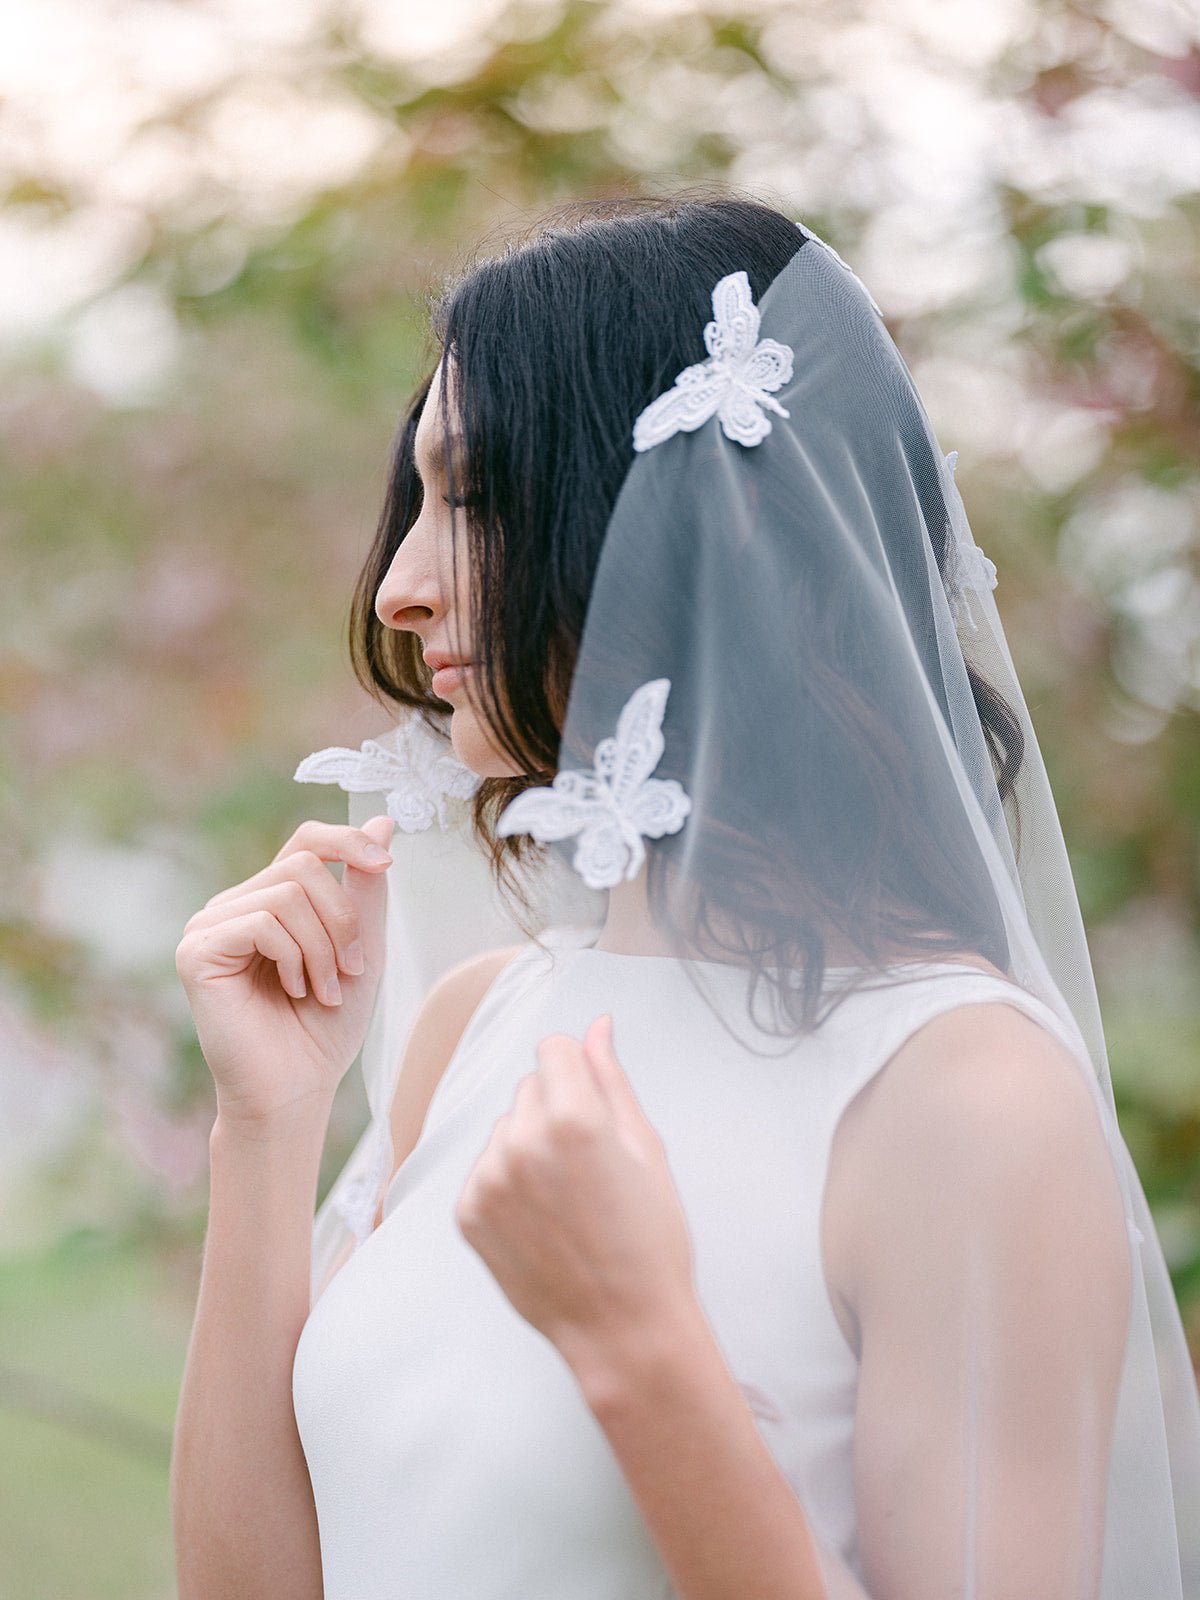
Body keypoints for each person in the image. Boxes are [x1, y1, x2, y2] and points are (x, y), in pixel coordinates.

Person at [170, 194, 1200, 1600]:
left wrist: (638, 1349)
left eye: (471, 497)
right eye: (414, 505)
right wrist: (263, 1126)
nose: (402, 586)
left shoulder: (961, 1096)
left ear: (692, 517)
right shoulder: (475, 1024)